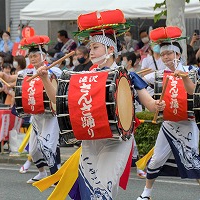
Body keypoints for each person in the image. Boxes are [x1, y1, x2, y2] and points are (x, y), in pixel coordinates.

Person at [33, 9, 166, 199]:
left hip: (116, 141)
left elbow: (151, 105)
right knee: (90, 191)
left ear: (110, 50)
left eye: (96, 47)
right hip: (91, 141)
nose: (91, 51)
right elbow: (58, 102)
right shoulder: (84, 78)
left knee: (103, 189)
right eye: (91, 47)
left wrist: (157, 105)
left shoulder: (127, 76)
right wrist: (45, 78)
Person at [137, 26, 200, 200]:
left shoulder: (192, 72)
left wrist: (185, 77)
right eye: (163, 54)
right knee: (156, 159)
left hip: (187, 124)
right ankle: (146, 193)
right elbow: (138, 84)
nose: (166, 57)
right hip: (169, 124)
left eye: (170, 53)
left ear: (178, 55)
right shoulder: (158, 75)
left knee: (193, 162)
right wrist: (153, 102)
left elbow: (194, 92)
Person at [0, 35, 62, 184]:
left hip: (51, 115)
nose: (33, 59)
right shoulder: (27, 72)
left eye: (36, 55)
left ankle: (56, 176)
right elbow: (12, 78)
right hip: (36, 115)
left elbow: (60, 83)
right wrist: (3, 75)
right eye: (30, 56)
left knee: (48, 145)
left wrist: (46, 74)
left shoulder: (54, 70)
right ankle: (42, 173)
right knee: (34, 150)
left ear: (43, 56)